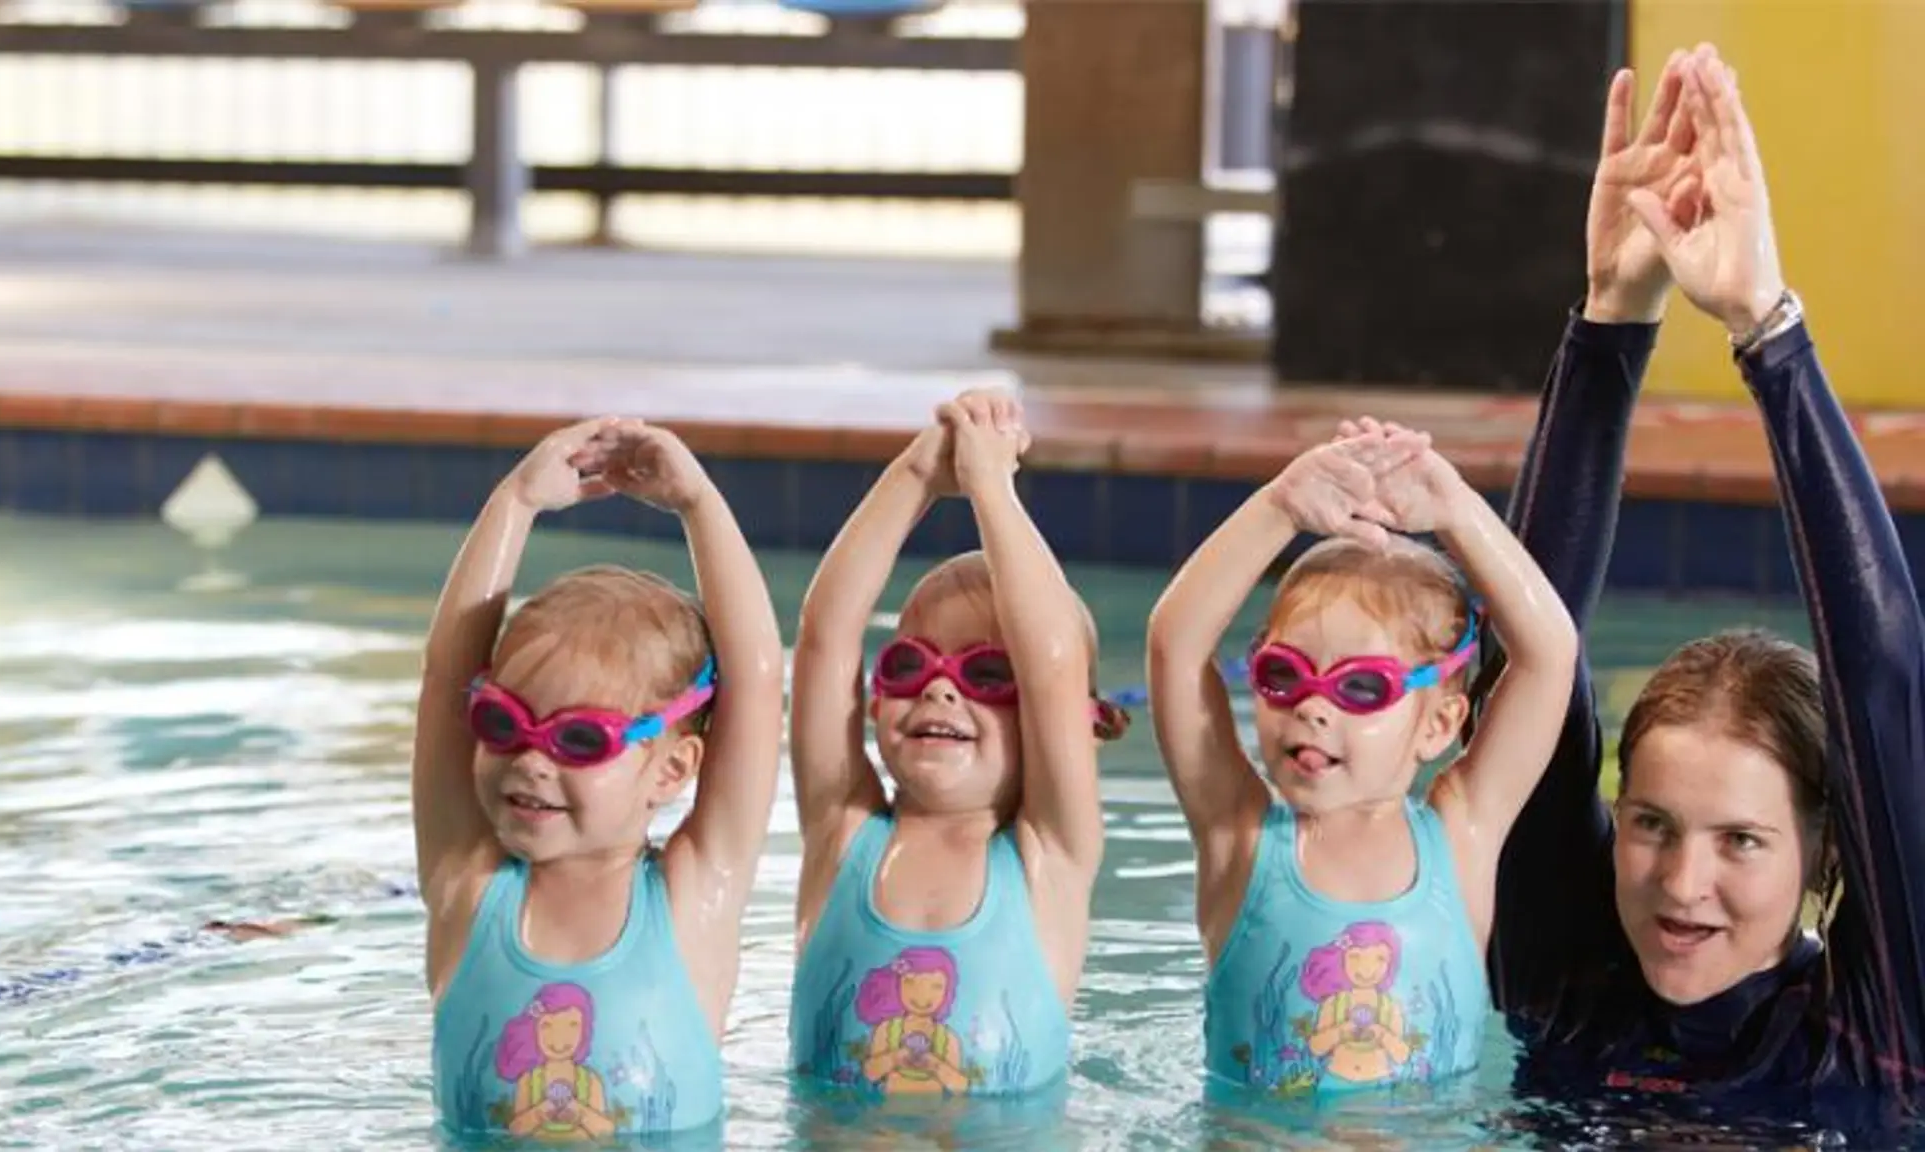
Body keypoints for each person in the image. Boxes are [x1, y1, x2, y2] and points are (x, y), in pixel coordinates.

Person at [1482, 42, 1925, 1113]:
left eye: (1741, 841)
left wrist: (1764, 331)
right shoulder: (1561, 984)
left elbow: (1880, 683)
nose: (1682, 886)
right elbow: (1525, 660)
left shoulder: (1875, 1031)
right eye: (1650, 824)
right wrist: (1607, 316)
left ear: (1825, 848)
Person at [1146, 416, 1578, 1098]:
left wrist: (1457, 510)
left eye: (1361, 687)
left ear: (1438, 723)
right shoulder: (1240, 835)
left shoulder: (1462, 837)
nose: (1313, 707)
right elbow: (1176, 644)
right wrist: (1280, 507)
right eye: (1285, 675)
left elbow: (1550, 656)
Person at [412, 418, 783, 1141]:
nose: (531, 759)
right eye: (503, 723)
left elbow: (760, 683)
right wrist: (514, 503)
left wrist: (700, 506)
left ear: (670, 769)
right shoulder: (469, 887)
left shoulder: (692, 898)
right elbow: (444, 679)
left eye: (580, 739)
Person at [786, 389, 1128, 1099]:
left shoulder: (1049, 857)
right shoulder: (841, 834)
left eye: (990, 673)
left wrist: (992, 492)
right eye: (912, 665)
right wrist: (914, 473)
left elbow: (1055, 663)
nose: (940, 691)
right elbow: (824, 636)